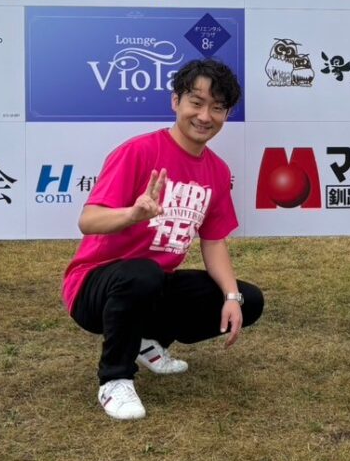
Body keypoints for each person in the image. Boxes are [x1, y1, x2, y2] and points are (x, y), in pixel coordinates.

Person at [61, 58, 264, 420]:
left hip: (152, 284)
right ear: (175, 101)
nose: (205, 116)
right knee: (144, 274)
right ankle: (115, 379)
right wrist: (131, 215)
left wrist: (232, 297)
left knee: (249, 299)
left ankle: (145, 342)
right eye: (196, 103)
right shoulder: (139, 152)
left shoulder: (217, 171)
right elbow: (87, 221)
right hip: (94, 287)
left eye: (217, 108)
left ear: (226, 114)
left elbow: (213, 241)